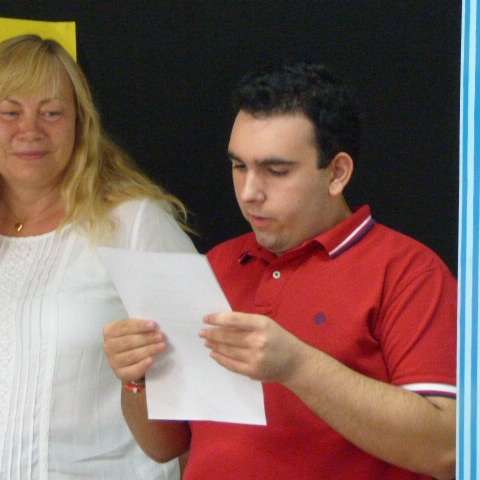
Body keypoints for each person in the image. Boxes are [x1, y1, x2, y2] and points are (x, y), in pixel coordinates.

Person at [103, 63, 456, 480]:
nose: (250, 192)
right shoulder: (217, 263)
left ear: (337, 173)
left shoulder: (408, 271)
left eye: (276, 171)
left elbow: (445, 449)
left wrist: (298, 367)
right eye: (239, 166)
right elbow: (164, 445)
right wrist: (136, 377)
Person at [0, 34, 195, 479]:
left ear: (81, 124)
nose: (31, 130)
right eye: (10, 112)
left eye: (52, 112)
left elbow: (203, 399)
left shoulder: (136, 225)